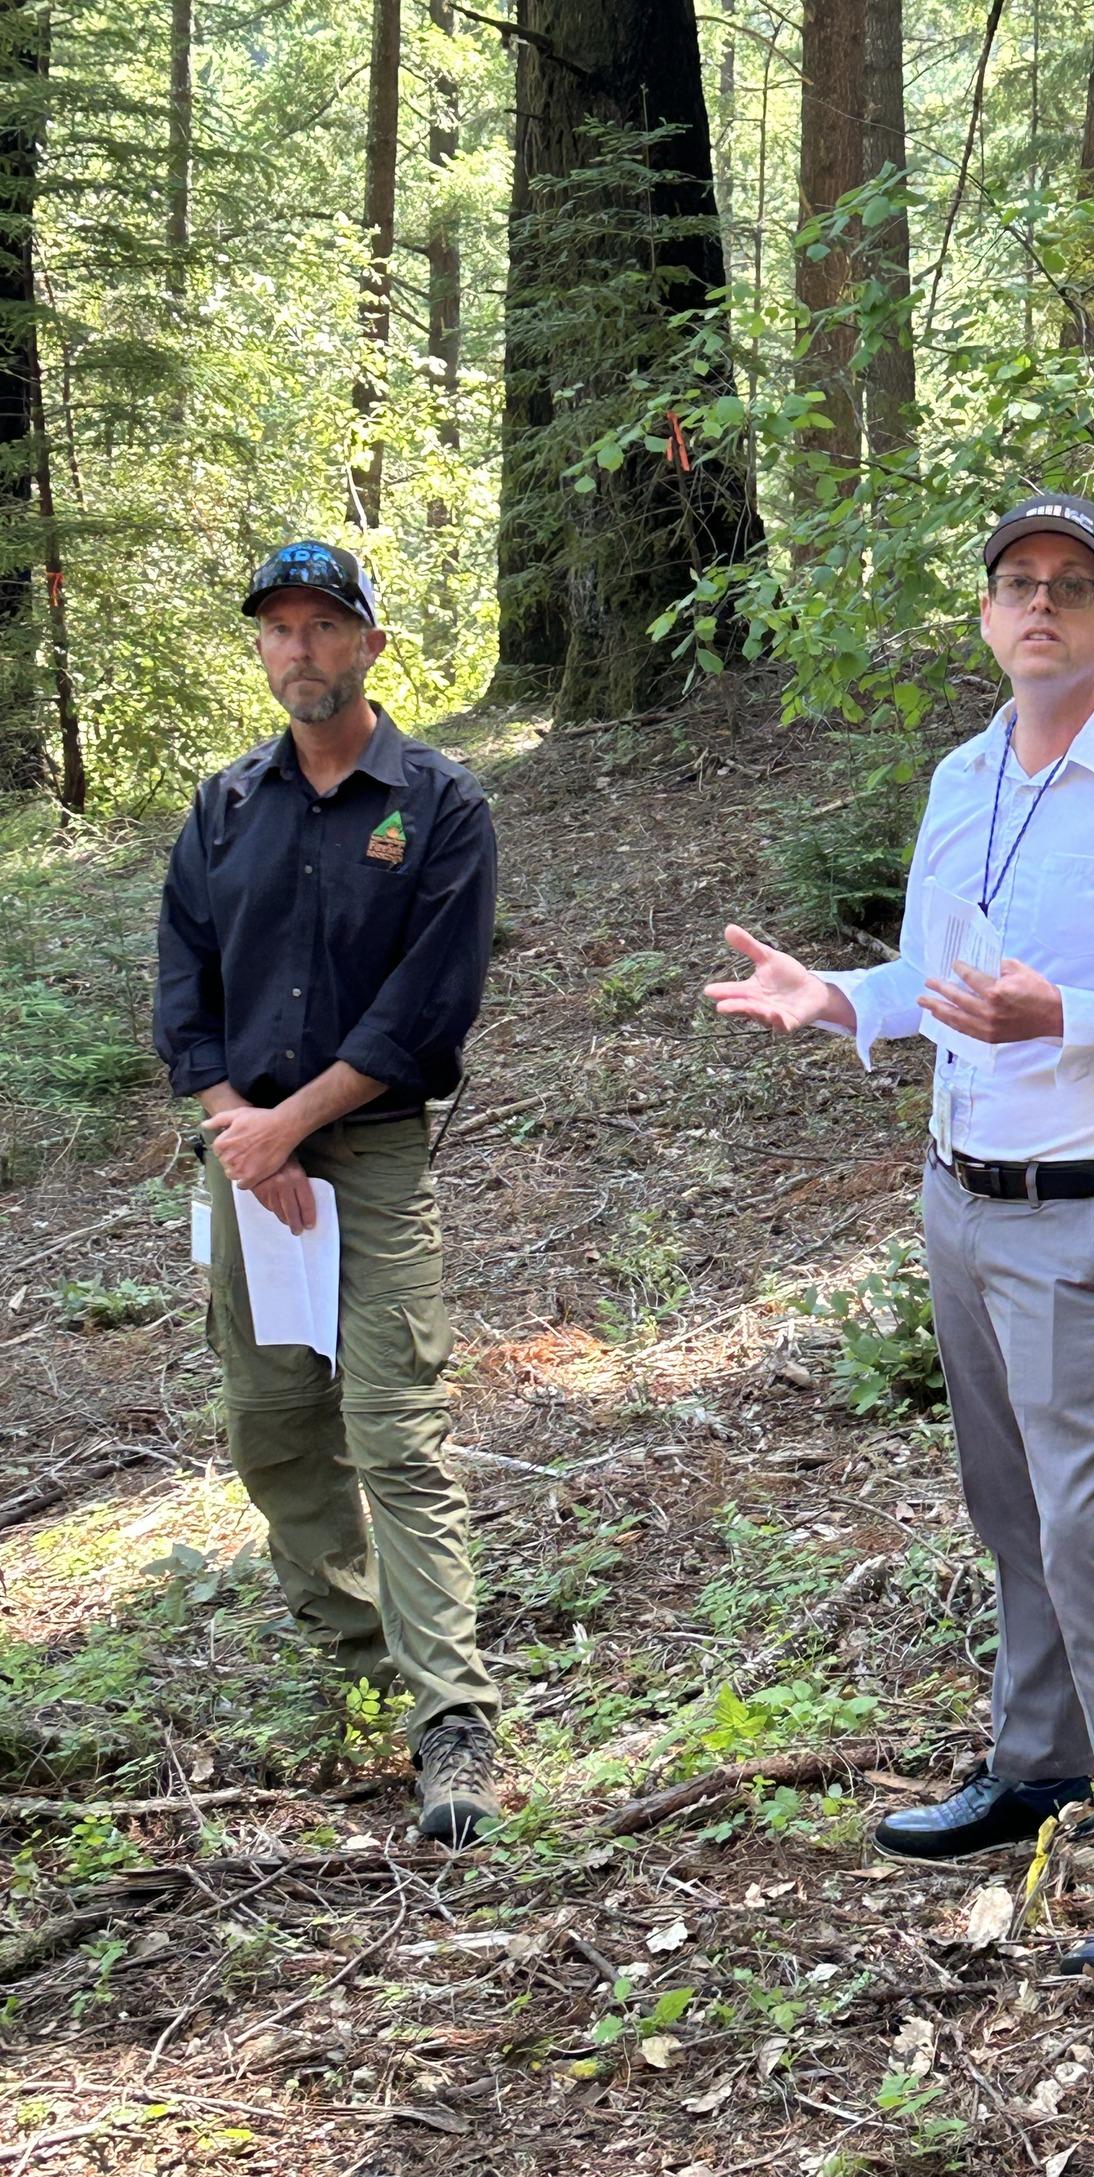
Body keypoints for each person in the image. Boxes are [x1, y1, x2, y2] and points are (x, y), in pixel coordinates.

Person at [706, 493, 1094, 1973]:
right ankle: (1039, 1762)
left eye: (1071, 586)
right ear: (985, 614)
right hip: (958, 1196)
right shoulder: (967, 773)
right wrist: (839, 996)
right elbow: (938, 976)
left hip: (1087, 1219)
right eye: (1016, 583)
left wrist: (1065, 1017)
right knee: (1009, 1509)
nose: (1041, 606)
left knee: (1087, 1531)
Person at [154, 541, 501, 1847]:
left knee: (397, 1424)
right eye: (278, 628)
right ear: (261, 649)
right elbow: (182, 979)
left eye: (324, 625)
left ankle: (450, 1718)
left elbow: (430, 1000)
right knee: (273, 1423)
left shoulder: (440, 805)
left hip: (370, 1155)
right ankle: (356, 1658)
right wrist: (235, 1123)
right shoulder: (223, 808)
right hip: (247, 1162)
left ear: (368, 641)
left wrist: (293, 1126)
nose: (300, 648)